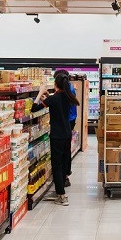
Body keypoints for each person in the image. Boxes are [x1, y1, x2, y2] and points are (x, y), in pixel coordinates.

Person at [33, 73, 81, 205]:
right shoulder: (67, 96)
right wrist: (48, 97)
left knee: (56, 165)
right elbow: (56, 103)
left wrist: (40, 94)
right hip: (66, 134)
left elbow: (34, 108)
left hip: (57, 135)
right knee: (63, 162)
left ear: (55, 84)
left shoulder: (54, 99)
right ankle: (61, 189)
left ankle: (61, 195)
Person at [54, 69, 78, 187]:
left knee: (63, 150)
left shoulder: (66, 90)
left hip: (66, 121)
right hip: (70, 120)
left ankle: (63, 176)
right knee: (66, 148)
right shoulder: (69, 88)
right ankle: (65, 174)